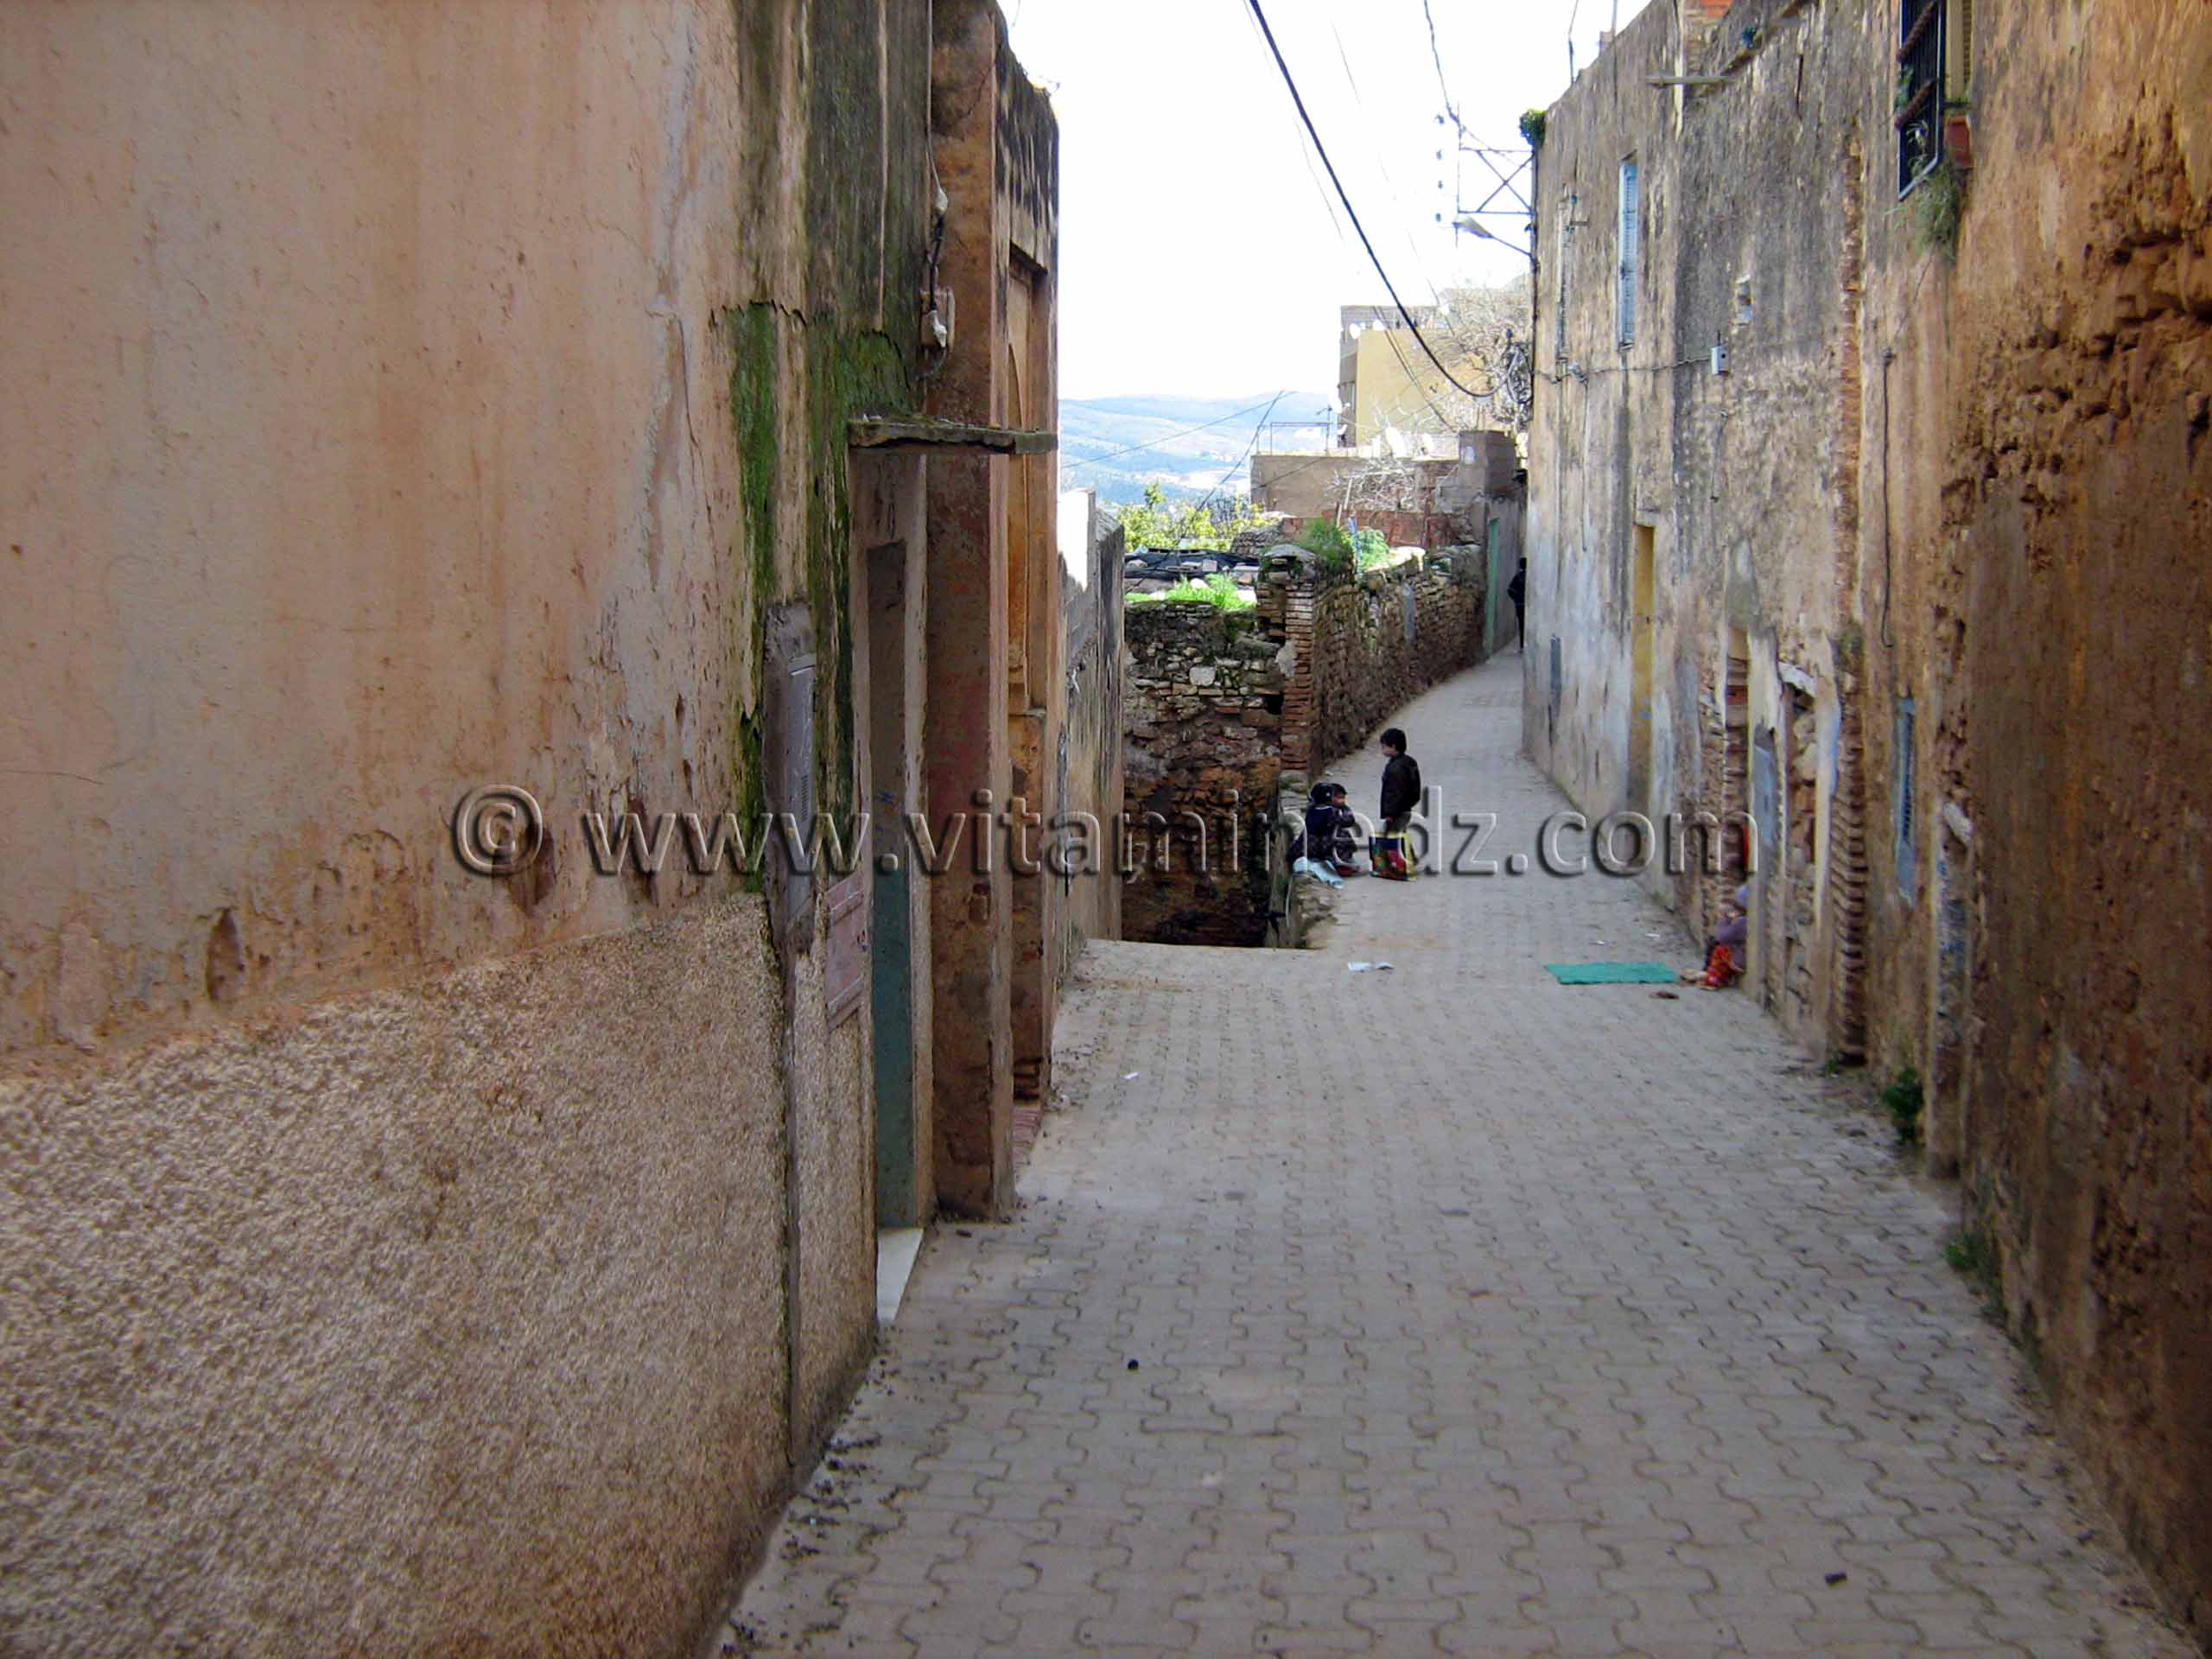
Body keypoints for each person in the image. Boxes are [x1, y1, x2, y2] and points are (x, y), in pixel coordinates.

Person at [1374, 728, 1421, 880]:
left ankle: (1397, 866)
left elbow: (1394, 793)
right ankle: (1409, 859)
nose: (1382, 750)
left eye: (1384, 746)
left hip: (1396, 811)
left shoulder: (1396, 768)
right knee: (1400, 834)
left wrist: (1390, 814)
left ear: (1393, 746)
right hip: (1406, 808)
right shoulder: (1409, 762)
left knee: (1390, 837)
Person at [1505, 556, 1528, 652]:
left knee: (1522, 626)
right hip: (1528, 607)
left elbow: (1510, 590)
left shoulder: (1518, 577)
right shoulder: (1530, 576)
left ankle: (1522, 646)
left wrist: (1517, 599)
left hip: (1520, 606)